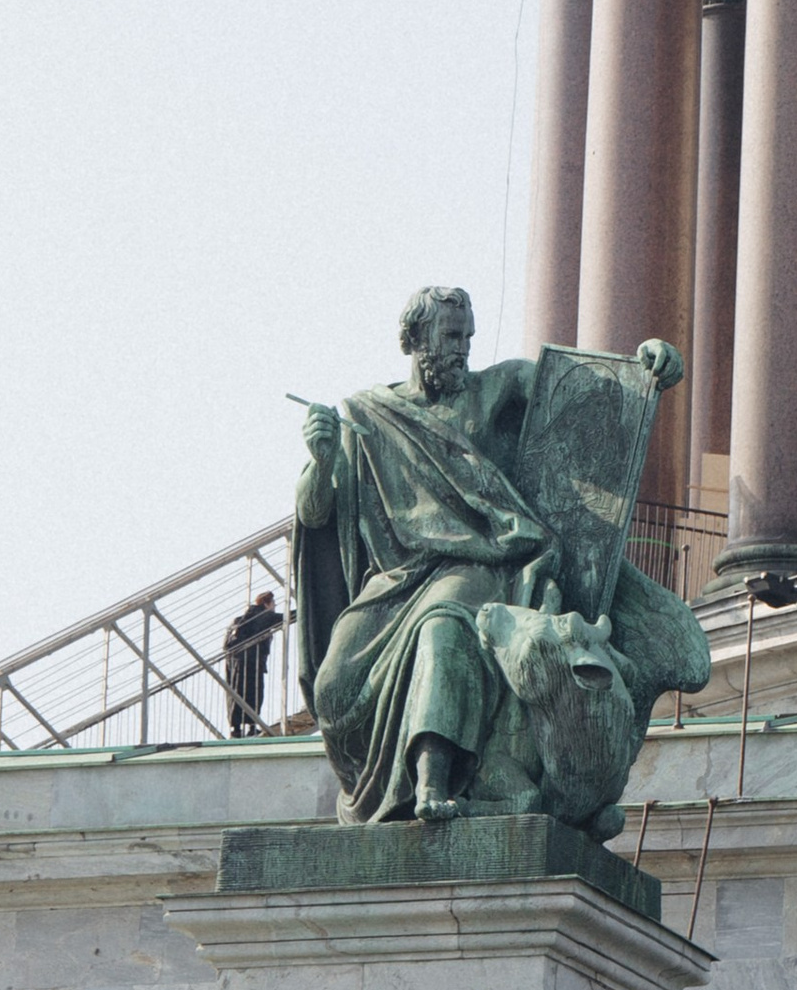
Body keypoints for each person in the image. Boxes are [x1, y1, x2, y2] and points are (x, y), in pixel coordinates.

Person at [295, 286, 682, 825]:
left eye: (468, 336)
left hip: (487, 564)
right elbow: (316, 514)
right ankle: (370, 799)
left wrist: (646, 365)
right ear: (414, 340)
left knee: (444, 628)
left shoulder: (497, 388)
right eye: (451, 336)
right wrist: (320, 459)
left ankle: (433, 781)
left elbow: (573, 388)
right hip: (401, 577)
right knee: (335, 680)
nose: (463, 349)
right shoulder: (368, 416)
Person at [221, 587, 282, 735]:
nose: (274, 607)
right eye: (273, 603)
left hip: (234, 663)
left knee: (235, 693)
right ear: (267, 604)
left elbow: (226, 645)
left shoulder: (239, 620)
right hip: (252, 662)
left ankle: (235, 729)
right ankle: (252, 726)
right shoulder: (264, 616)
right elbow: (286, 618)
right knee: (254, 694)